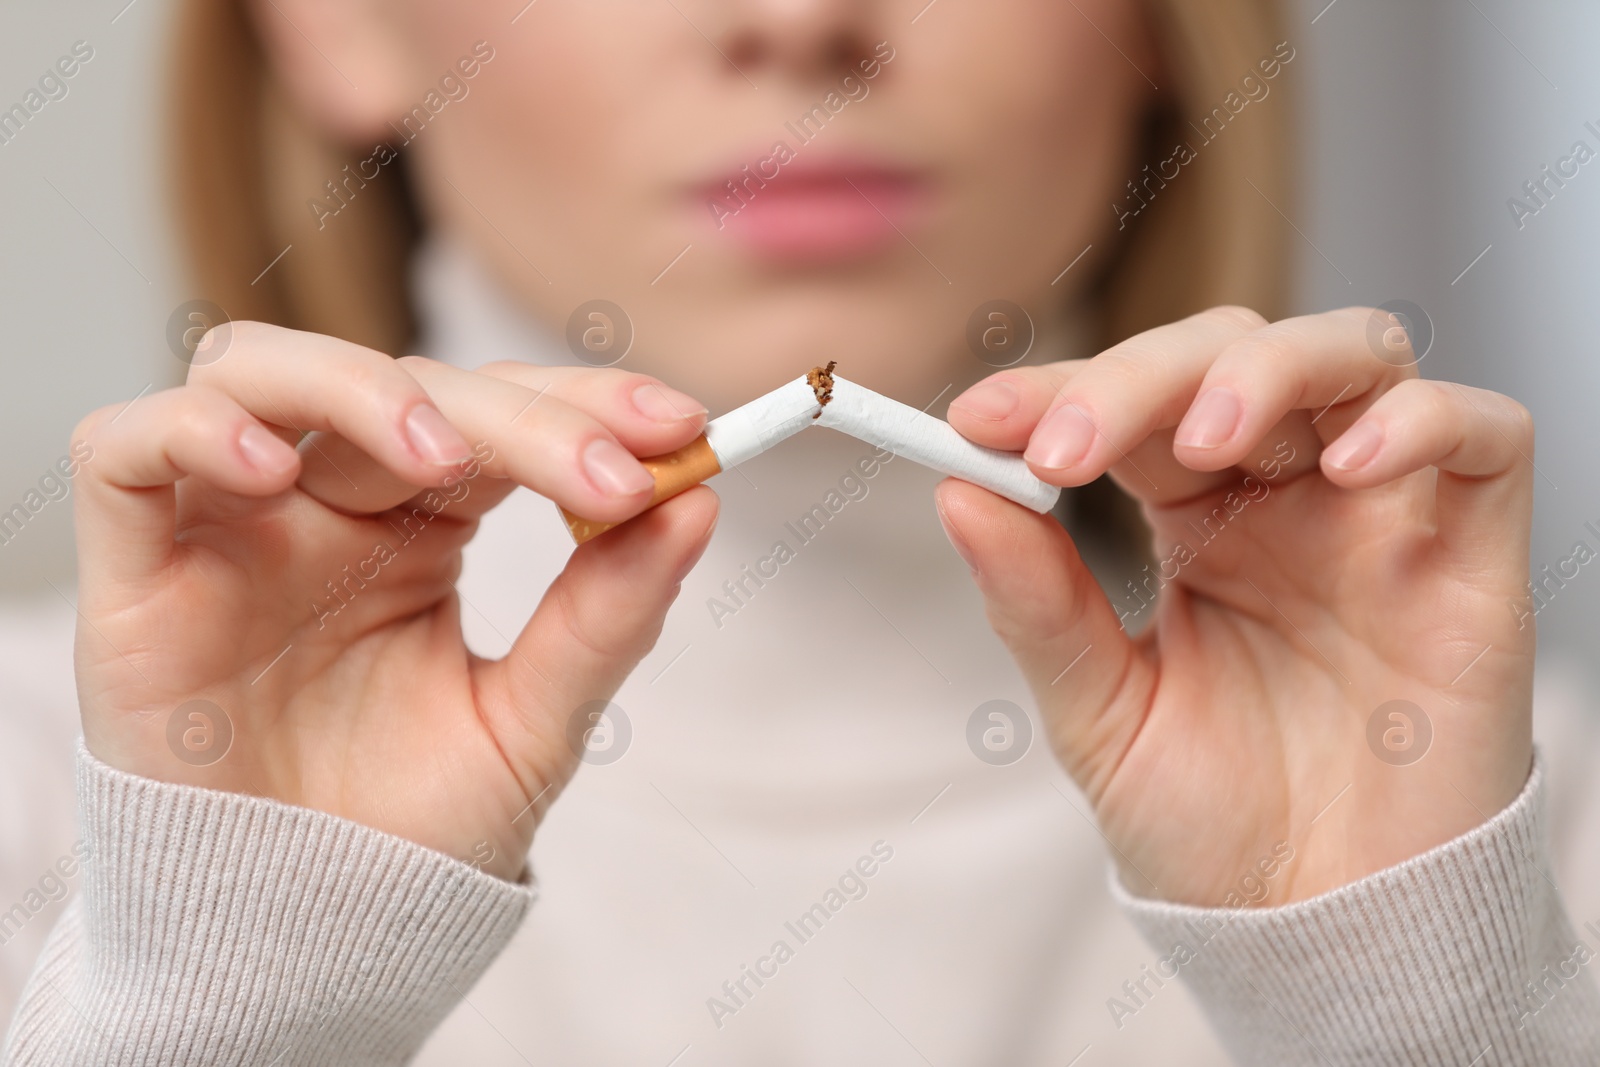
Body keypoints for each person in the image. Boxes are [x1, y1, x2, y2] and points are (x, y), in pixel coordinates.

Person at [4, 0, 1598, 1063]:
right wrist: (215, 1002)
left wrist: (1409, 1006)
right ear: (335, 19)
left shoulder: (1503, 831)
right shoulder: (56, 806)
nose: (804, 23)